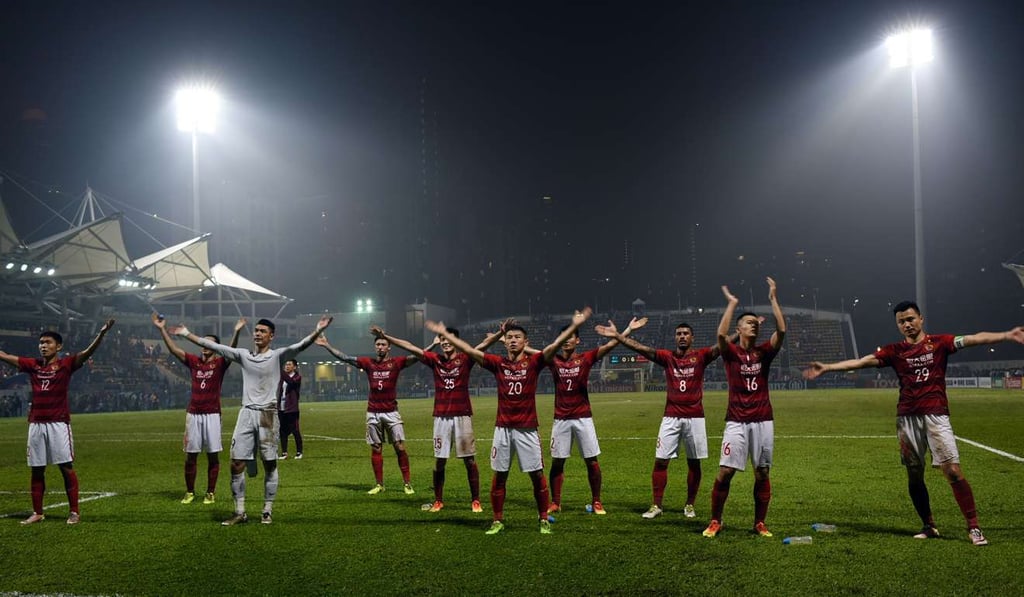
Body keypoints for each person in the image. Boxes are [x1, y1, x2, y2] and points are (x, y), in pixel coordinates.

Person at [803, 300, 1024, 546]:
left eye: (910, 319)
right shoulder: (894, 351)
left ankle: (973, 527)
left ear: (921, 319)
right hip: (907, 417)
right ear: (897, 325)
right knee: (914, 475)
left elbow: (974, 338)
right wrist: (828, 367)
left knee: (952, 471)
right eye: (901, 321)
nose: (907, 324)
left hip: (936, 415)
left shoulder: (941, 343)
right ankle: (929, 525)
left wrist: (1007, 334)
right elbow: (862, 361)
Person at [426, 307, 592, 535]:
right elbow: (470, 352)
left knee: (537, 475)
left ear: (526, 342)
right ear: (504, 342)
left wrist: (574, 326)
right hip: (502, 430)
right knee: (500, 475)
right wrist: (445, 333)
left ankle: (543, 518)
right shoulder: (498, 364)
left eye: (517, 337)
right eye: (510, 338)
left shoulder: (534, 363)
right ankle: (497, 520)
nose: (513, 341)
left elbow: (554, 347)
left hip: (527, 430)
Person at [170, 315, 333, 525]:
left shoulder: (278, 356)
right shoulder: (243, 355)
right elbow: (212, 345)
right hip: (246, 413)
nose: (257, 334)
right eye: (256, 330)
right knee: (236, 463)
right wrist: (186, 334)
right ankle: (240, 512)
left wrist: (318, 330)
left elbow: (301, 345)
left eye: (262, 331)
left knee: (270, 464)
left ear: (271, 336)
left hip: (268, 414)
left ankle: (267, 510)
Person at [369, 322, 510, 513]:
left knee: (469, 460)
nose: (444, 343)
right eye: (442, 339)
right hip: (441, 419)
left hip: (462, 416)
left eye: (448, 339)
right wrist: (386, 336)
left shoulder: (466, 358)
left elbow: (483, 346)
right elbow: (410, 347)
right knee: (439, 461)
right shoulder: (435, 360)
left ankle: (475, 500)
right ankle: (438, 500)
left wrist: (500, 333)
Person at [595, 318, 721, 520]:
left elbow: (721, 346)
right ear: (675, 337)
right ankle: (656, 505)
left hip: (695, 418)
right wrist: (619, 335)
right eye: (679, 334)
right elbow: (641, 348)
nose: (682, 337)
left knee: (694, 463)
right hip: (671, 417)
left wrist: (741, 333)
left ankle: (689, 504)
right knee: (661, 461)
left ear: (692, 337)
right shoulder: (667, 357)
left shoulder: (701, 356)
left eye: (685, 333)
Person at [0, 319, 115, 525]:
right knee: (37, 469)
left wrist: (101, 334)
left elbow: (88, 352)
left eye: (48, 342)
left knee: (66, 467)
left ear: (58, 346)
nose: (43, 346)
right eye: (41, 342)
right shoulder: (33, 365)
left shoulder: (66, 365)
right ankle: (37, 512)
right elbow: (6, 356)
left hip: (58, 424)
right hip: (36, 424)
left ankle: (74, 512)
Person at [702, 277, 786, 539]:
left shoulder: (764, 353)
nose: (754, 326)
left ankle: (759, 523)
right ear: (739, 328)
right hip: (736, 420)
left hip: (763, 420)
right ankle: (716, 520)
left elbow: (781, 332)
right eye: (748, 323)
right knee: (726, 471)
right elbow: (719, 336)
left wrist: (773, 299)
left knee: (762, 472)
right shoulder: (731, 353)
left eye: (755, 323)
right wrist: (732, 304)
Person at [544, 316, 646, 516]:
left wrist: (627, 330)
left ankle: (597, 501)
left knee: (592, 460)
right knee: (558, 461)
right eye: (562, 337)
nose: (566, 340)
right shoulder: (553, 360)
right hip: (561, 419)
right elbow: (534, 352)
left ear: (578, 341)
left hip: (583, 418)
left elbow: (610, 346)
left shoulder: (586, 358)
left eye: (570, 337)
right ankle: (556, 502)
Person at [153, 313, 245, 505]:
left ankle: (210, 492)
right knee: (190, 456)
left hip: (212, 414)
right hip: (193, 414)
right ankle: (190, 492)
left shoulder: (219, 363)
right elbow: (174, 350)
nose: (204, 345)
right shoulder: (194, 362)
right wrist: (162, 329)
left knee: (213, 455)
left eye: (209, 343)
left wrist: (236, 332)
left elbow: (231, 351)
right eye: (203, 342)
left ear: (215, 348)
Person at [317, 331, 418, 495]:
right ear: (374, 347)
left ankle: (407, 483)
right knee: (376, 448)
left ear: (389, 347)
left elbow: (419, 356)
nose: (380, 347)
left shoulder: (396, 363)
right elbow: (346, 357)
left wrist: (433, 345)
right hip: (373, 413)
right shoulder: (368, 363)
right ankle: (379, 484)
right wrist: (327, 345)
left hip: (392, 412)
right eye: (378, 344)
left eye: (383, 344)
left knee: (399, 447)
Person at [278, 359, 303, 460]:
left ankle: (299, 452)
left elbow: (291, 382)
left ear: (295, 367)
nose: (286, 366)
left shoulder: (297, 377)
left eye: (289, 364)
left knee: (295, 430)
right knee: (282, 431)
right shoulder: (281, 378)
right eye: (286, 364)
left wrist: (281, 372)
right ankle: (284, 453)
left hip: (292, 408)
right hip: (281, 407)